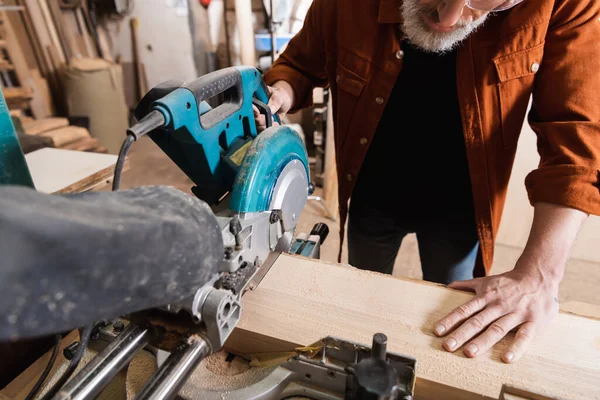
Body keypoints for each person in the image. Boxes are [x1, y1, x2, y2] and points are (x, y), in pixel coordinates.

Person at [253, 0, 600, 363]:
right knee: (360, 310)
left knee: (451, 329)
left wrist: (539, 275)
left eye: (483, 5)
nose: (446, 19)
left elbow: (576, 140)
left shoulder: (566, 4)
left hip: (462, 209)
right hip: (372, 192)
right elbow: (300, 64)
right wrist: (283, 92)